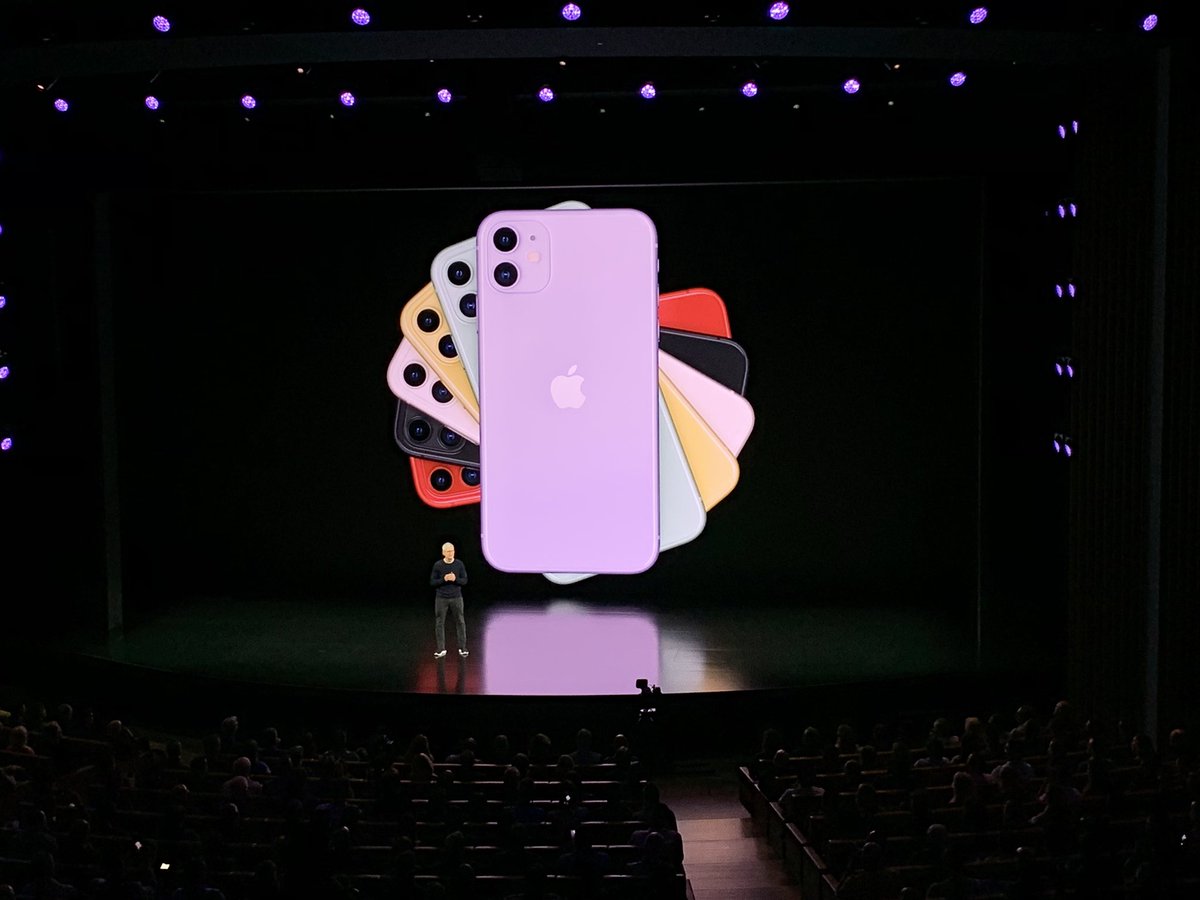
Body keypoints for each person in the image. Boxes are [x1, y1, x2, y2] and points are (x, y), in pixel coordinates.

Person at [430, 541, 468, 659]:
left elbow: (464, 580)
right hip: (441, 598)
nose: (451, 553)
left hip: (456, 597)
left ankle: (462, 647)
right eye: (448, 551)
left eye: (452, 551)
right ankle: (441, 648)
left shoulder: (459, 564)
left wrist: (455, 579)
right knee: (440, 623)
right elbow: (432, 582)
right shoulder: (438, 565)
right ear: (443, 553)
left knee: (460, 621)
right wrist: (444, 579)